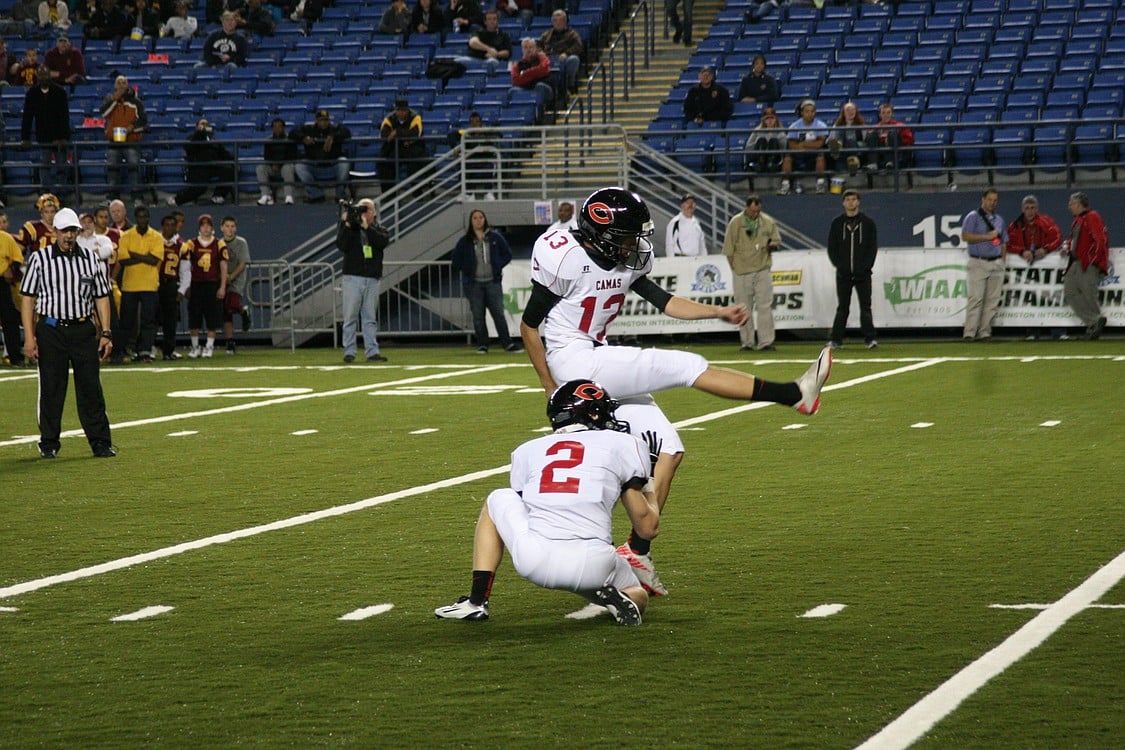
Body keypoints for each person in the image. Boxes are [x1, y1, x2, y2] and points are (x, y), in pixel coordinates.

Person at [520, 187, 832, 595]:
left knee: (670, 446)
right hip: (574, 359)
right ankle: (794, 394)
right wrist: (551, 386)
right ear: (601, 233)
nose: (636, 244)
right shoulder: (563, 255)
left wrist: (717, 312)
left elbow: (665, 301)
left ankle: (637, 548)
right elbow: (529, 326)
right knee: (684, 366)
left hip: (599, 354)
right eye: (627, 236)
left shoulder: (625, 260)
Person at [434, 379, 661, 625]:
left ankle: (476, 602)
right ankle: (612, 596)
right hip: (594, 562)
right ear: (593, 413)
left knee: (498, 498)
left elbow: (527, 504)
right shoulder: (627, 444)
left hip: (536, 560)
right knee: (637, 594)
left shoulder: (526, 450)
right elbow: (647, 528)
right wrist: (648, 477)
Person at [19, 207, 116, 459]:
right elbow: (28, 299)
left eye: (73, 231)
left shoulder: (90, 258)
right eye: (64, 231)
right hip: (51, 329)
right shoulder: (40, 259)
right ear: (54, 232)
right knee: (52, 388)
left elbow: (102, 296)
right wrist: (29, 337)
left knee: (91, 388)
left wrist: (106, 332)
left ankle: (100, 442)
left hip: (83, 329)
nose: (69, 236)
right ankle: (49, 442)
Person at [451, 208, 521, 355]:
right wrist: (467, 269)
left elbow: (507, 254)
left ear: (485, 219)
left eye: (480, 217)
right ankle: (483, 344)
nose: (478, 220)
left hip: (492, 282)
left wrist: (497, 266)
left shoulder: (495, 237)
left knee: (498, 314)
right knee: (478, 315)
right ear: (471, 221)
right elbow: (456, 261)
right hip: (473, 284)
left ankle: (507, 343)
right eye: (475, 218)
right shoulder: (465, 241)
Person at [722, 194, 780, 352]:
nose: (755, 213)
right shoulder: (736, 222)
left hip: (762, 269)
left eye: (758, 210)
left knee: (765, 306)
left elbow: (776, 240)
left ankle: (766, 342)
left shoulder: (767, 221)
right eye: (753, 210)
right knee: (743, 308)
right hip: (742, 271)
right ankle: (747, 342)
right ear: (747, 207)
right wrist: (735, 268)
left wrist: (772, 245)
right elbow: (728, 249)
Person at [826, 189, 879, 350]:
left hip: (863, 274)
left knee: (865, 307)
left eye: (853, 199)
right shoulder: (837, 223)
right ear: (843, 203)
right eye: (847, 199)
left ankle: (870, 339)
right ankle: (836, 339)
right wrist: (840, 266)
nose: (850, 202)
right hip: (843, 274)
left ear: (858, 201)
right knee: (843, 307)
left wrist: (866, 267)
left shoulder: (868, 223)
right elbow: (832, 248)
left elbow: (872, 247)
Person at [337, 198, 388, 363]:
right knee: (350, 316)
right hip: (353, 277)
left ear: (374, 212)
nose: (364, 213)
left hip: (372, 278)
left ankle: (372, 351)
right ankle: (349, 351)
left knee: (369, 317)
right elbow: (341, 245)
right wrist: (346, 224)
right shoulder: (350, 228)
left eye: (367, 210)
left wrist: (368, 227)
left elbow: (382, 242)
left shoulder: (379, 229)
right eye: (362, 210)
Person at [1006, 195, 1063, 341]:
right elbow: (1007, 244)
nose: (1030, 211)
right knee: (1030, 298)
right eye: (1027, 208)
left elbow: (1058, 238)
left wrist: (1045, 249)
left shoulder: (1046, 222)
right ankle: (1032, 331)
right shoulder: (1015, 226)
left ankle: (1058, 331)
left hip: (1046, 266)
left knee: (1051, 296)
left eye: (1032, 208)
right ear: (1022, 209)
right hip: (1026, 268)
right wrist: (1021, 251)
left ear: (1037, 209)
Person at [114, 204, 162, 363]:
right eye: (140, 216)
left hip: (149, 284)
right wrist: (144, 257)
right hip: (130, 285)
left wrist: (135, 255)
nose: (143, 219)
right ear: (136, 218)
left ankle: (144, 351)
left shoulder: (156, 236)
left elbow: (154, 260)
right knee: (127, 320)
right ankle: (121, 350)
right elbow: (123, 260)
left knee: (148, 320)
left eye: (145, 216)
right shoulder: (126, 235)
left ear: (148, 218)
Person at [960, 188, 1008, 342]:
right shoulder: (973, 217)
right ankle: (969, 332)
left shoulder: (999, 220)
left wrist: (1002, 259)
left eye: (995, 200)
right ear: (983, 199)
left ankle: (985, 332)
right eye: (990, 200)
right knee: (976, 298)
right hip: (978, 261)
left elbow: (1004, 241)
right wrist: (987, 236)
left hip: (995, 262)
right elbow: (966, 236)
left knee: (992, 301)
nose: (992, 203)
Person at [1062, 191, 1109, 341]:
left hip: (1086, 263)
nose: (1069, 207)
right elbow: (1075, 241)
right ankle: (1094, 321)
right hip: (1075, 262)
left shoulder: (1092, 216)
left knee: (1089, 294)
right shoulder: (1078, 220)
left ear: (1078, 204)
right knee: (1070, 292)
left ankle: (1094, 325)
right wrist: (1067, 248)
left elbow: (1100, 240)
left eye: (1071, 203)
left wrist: (1092, 260)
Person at [21, 66, 72, 202]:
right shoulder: (32, 93)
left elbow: (64, 116)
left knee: (61, 166)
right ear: (38, 77)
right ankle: (45, 197)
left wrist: (63, 138)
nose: (44, 77)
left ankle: (61, 196)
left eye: (46, 75)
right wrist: (25, 138)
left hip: (60, 137)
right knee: (45, 167)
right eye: (41, 75)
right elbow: (27, 116)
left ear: (50, 76)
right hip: (43, 138)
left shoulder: (60, 92)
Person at [181, 214, 228, 358]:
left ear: (212, 227)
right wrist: (185, 285)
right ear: (199, 227)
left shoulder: (219, 244)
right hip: (196, 284)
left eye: (208, 225)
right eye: (203, 225)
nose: (206, 228)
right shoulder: (191, 243)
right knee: (194, 316)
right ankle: (195, 347)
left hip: (212, 283)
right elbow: (185, 265)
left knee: (212, 316)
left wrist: (222, 286)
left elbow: (223, 266)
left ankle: (209, 346)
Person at [167, 117, 236, 206]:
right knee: (200, 188)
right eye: (202, 124)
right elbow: (190, 148)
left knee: (229, 170)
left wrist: (233, 160)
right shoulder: (192, 138)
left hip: (214, 165)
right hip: (199, 167)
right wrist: (199, 133)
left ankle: (218, 196)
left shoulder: (213, 139)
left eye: (207, 124)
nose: (205, 126)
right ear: (197, 127)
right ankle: (176, 200)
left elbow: (223, 152)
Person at [101, 75, 147, 205]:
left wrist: (131, 128)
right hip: (113, 141)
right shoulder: (110, 100)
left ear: (127, 85)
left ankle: (137, 197)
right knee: (112, 168)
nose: (121, 85)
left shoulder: (135, 102)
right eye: (119, 83)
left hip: (131, 141)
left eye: (124, 83)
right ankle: (112, 197)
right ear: (115, 86)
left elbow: (143, 120)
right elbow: (104, 114)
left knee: (134, 167)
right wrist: (115, 99)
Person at [292, 109, 351, 203]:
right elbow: (293, 133)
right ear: (316, 120)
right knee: (299, 165)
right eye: (321, 120)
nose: (323, 122)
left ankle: (340, 195)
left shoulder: (334, 129)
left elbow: (347, 132)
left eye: (326, 120)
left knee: (344, 162)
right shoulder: (309, 129)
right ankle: (316, 195)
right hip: (314, 165)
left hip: (332, 165)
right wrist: (303, 137)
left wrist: (333, 137)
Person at [779, 99, 829, 195]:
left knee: (820, 155)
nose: (810, 114)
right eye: (807, 111)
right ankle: (785, 185)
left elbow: (819, 143)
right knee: (788, 157)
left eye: (812, 111)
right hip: (799, 153)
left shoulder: (821, 125)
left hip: (814, 153)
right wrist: (803, 146)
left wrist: (803, 145)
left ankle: (820, 184)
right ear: (802, 112)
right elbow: (792, 144)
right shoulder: (794, 126)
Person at [156, 213, 186, 360]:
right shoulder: (154, 239)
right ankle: (149, 348)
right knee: (152, 317)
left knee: (171, 320)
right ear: (162, 226)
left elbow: (185, 270)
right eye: (166, 225)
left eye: (172, 225)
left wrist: (182, 289)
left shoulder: (182, 245)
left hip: (171, 284)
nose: (169, 228)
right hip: (155, 283)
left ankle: (169, 350)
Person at [377, 100, 423, 194]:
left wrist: (396, 133)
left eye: (403, 110)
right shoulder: (389, 118)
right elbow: (384, 134)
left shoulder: (415, 117)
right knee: (384, 163)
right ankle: (388, 195)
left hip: (412, 147)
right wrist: (402, 136)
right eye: (399, 110)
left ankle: (417, 193)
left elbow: (414, 134)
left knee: (414, 163)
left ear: (407, 110)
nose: (401, 113)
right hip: (395, 147)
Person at [219, 215, 250, 353]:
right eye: (227, 226)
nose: (230, 229)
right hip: (222, 280)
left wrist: (231, 277)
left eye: (232, 226)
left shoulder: (241, 243)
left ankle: (243, 311)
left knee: (232, 303)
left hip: (236, 279)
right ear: (222, 228)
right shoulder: (218, 243)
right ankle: (230, 341)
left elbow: (243, 263)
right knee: (225, 311)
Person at [0, 210, 25, 367]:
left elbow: (18, 259)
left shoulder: (6, 238)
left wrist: (12, 269)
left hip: (2, 281)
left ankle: (16, 357)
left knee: (9, 320)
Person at [538, 9, 582, 97]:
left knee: (574, 59)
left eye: (560, 20)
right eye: (555, 20)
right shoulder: (547, 34)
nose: (558, 23)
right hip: (548, 59)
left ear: (565, 21)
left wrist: (567, 53)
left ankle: (569, 84)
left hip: (563, 59)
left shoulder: (572, 34)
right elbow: (538, 45)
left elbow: (578, 46)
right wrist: (541, 52)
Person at [256, 117, 298, 205]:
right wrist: (272, 164)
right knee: (260, 167)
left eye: (280, 126)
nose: (277, 128)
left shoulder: (289, 140)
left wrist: (278, 164)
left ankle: (288, 196)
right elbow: (267, 157)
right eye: (275, 126)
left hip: (284, 166)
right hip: (272, 166)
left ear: (283, 128)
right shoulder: (269, 140)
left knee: (288, 167)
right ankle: (266, 195)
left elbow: (291, 156)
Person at [864, 102, 914, 173]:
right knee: (871, 135)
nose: (886, 115)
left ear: (892, 114)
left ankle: (891, 162)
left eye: (888, 112)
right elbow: (868, 140)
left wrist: (890, 137)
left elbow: (909, 140)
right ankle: (873, 163)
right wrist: (883, 139)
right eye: (883, 113)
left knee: (893, 134)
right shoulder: (875, 127)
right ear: (880, 115)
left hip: (896, 152)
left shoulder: (900, 125)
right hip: (880, 152)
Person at [510, 37, 553, 114]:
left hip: (544, 88)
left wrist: (525, 74)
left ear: (535, 48)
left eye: (530, 47)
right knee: (513, 91)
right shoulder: (518, 64)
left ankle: (539, 114)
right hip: (526, 90)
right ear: (522, 49)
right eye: (525, 47)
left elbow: (543, 70)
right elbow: (516, 80)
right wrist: (535, 74)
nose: (528, 49)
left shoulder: (542, 58)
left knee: (539, 86)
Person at [827, 101, 867, 176]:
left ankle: (852, 163)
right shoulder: (838, 124)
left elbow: (864, 139)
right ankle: (838, 147)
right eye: (848, 110)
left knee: (851, 141)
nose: (850, 112)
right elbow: (831, 139)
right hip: (842, 149)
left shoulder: (861, 124)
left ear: (856, 112)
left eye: (852, 110)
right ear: (843, 113)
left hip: (856, 147)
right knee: (841, 129)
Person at [465, 9, 509, 75]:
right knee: (458, 61)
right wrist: (489, 49)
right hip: (475, 59)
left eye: (494, 19)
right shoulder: (479, 32)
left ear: (497, 21)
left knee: (492, 63)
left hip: (491, 60)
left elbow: (507, 52)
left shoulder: (504, 35)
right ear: (485, 22)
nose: (492, 21)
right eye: (489, 19)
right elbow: (473, 42)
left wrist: (496, 54)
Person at [744, 106, 784, 174]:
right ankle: (761, 162)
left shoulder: (780, 131)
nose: (770, 120)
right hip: (758, 154)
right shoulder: (758, 130)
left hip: (776, 156)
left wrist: (772, 141)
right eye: (767, 118)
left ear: (776, 119)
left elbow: (784, 147)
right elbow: (748, 147)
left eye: (772, 118)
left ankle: (771, 162)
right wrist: (758, 142)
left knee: (773, 140)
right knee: (761, 140)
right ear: (764, 120)